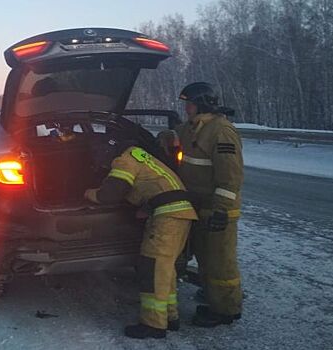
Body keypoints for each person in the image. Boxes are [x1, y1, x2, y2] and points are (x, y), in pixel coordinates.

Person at [84, 136, 197, 339]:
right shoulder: (140, 155)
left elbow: (109, 195)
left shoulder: (124, 160)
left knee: (152, 268)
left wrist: (89, 193)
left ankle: (154, 325)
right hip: (181, 212)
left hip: (168, 217)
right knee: (165, 268)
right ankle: (170, 317)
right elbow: (155, 185)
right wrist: (146, 206)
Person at [158, 82, 244, 327]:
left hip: (218, 209)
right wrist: (166, 134)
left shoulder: (221, 131)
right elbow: (178, 133)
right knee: (205, 259)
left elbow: (231, 177)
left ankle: (226, 310)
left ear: (202, 104)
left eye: (190, 104)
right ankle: (212, 295)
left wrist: (221, 210)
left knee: (220, 263)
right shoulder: (194, 127)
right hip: (198, 206)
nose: (187, 109)